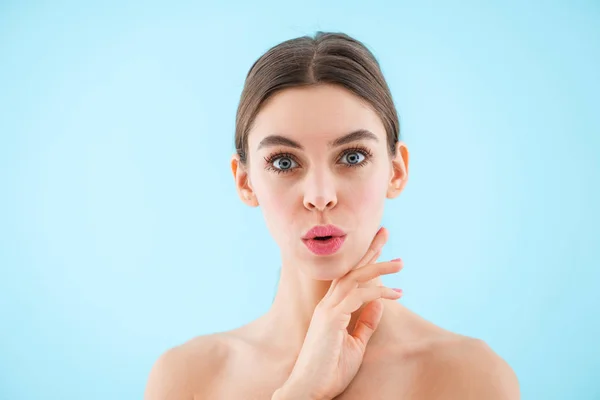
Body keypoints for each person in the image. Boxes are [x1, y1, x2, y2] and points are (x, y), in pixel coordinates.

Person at [144, 31, 520, 399]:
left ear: (398, 170)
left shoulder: (472, 378)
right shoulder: (187, 380)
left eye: (352, 157)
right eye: (285, 161)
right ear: (245, 181)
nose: (320, 196)